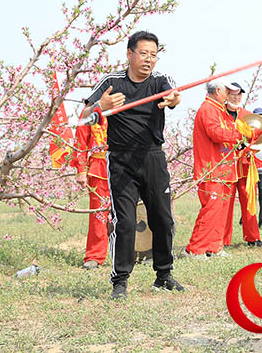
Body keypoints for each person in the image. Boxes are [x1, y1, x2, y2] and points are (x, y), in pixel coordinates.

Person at [84, 30, 183, 300]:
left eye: (153, 55)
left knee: (162, 218)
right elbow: (84, 116)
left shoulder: (161, 80)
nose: (149, 60)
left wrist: (174, 99)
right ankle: (120, 280)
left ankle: (163, 275)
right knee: (125, 221)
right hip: (121, 160)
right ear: (129, 54)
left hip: (153, 157)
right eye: (143, 53)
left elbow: (174, 96)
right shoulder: (111, 82)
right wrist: (100, 106)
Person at [185, 80, 254, 258]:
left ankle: (214, 246)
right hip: (211, 169)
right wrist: (241, 135)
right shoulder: (208, 109)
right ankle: (195, 249)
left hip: (225, 169)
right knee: (211, 209)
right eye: (227, 92)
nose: (229, 96)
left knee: (222, 211)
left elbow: (229, 137)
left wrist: (242, 140)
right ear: (217, 91)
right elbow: (215, 133)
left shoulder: (220, 111)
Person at [223, 82, 262, 247]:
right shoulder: (220, 115)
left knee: (249, 201)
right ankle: (223, 240)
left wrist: (251, 149)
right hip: (226, 165)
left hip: (246, 165)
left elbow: (260, 137)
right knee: (226, 203)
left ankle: (253, 237)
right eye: (233, 94)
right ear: (226, 95)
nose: (236, 97)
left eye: (239, 94)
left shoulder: (248, 116)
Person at [73, 106, 111, 269]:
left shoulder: (128, 103)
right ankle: (95, 256)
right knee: (98, 214)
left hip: (128, 165)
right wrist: (81, 170)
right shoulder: (90, 110)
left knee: (128, 212)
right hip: (99, 167)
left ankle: (132, 252)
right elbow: (81, 142)